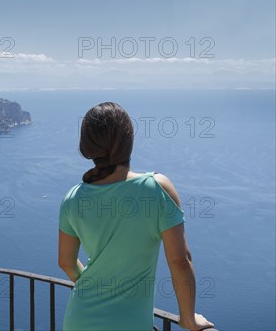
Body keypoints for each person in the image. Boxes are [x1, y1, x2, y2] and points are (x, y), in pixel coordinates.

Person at [58, 102, 214, 331]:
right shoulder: (155, 189)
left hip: (78, 319)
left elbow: (66, 263)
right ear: (128, 142)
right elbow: (180, 261)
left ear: (87, 146)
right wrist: (188, 318)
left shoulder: (73, 198)